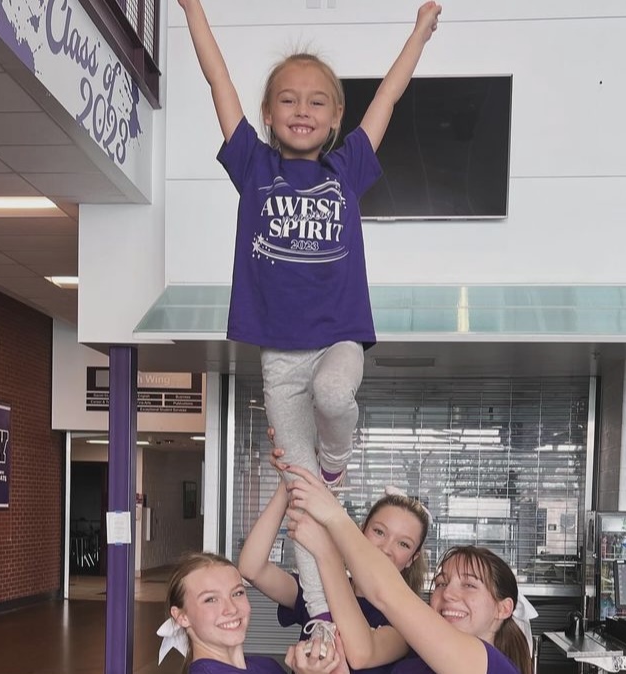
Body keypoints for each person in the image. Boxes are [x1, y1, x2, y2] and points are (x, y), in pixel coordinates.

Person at [177, 0, 442, 642]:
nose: (303, 110)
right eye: (289, 101)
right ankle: (322, 619)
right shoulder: (254, 167)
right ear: (269, 115)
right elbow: (217, 81)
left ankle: (336, 459)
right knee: (303, 502)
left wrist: (419, 34)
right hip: (279, 356)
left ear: (335, 119)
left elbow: (388, 96)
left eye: (318, 101)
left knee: (334, 395)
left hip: (339, 336)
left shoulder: (345, 169)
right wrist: (192, 9)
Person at [282, 465, 533, 674]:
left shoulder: (493, 667)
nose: (447, 595)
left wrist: (333, 524)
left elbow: (386, 593)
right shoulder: (409, 669)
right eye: (442, 583)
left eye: (468, 585)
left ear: (503, 608)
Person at [238, 468, 430, 672]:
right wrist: (289, 484)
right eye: (379, 531)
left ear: (412, 558)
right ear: (361, 531)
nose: (385, 549)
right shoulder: (318, 587)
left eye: (404, 544)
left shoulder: (406, 619)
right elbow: (252, 568)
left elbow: (362, 655)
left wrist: (327, 553)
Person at [157, 551, 343, 674]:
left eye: (237, 593)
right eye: (210, 599)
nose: (231, 609)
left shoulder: (267, 666)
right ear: (182, 617)